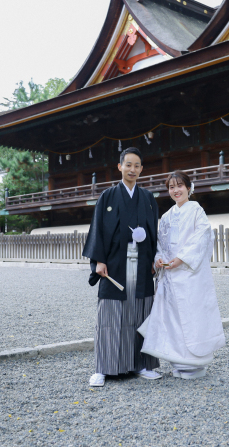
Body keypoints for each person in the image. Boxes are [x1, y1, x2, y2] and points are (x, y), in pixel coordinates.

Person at [82, 147, 162, 387]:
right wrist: (98, 260)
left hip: (142, 262)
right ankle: (103, 368)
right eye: (128, 165)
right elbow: (97, 228)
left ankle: (143, 365)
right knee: (110, 314)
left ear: (141, 169)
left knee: (141, 312)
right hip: (114, 263)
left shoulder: (147, 198)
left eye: (137, 165)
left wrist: (154, 259)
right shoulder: (107, 196)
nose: (133, 170)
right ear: (120, 167)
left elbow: (154, 233)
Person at [139, 170, 225, 379]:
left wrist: (182, 258)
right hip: (169, 274)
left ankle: (194, 364)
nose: (176, 190)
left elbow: (201, 238)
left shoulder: (196, 211)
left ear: (188, 188)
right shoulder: (167, 216)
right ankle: (178, 362)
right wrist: (158, 258)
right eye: (171, 187)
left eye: (179, 186)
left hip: (189, 275)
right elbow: (160, 243)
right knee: (172, 319)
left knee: (192, 317)